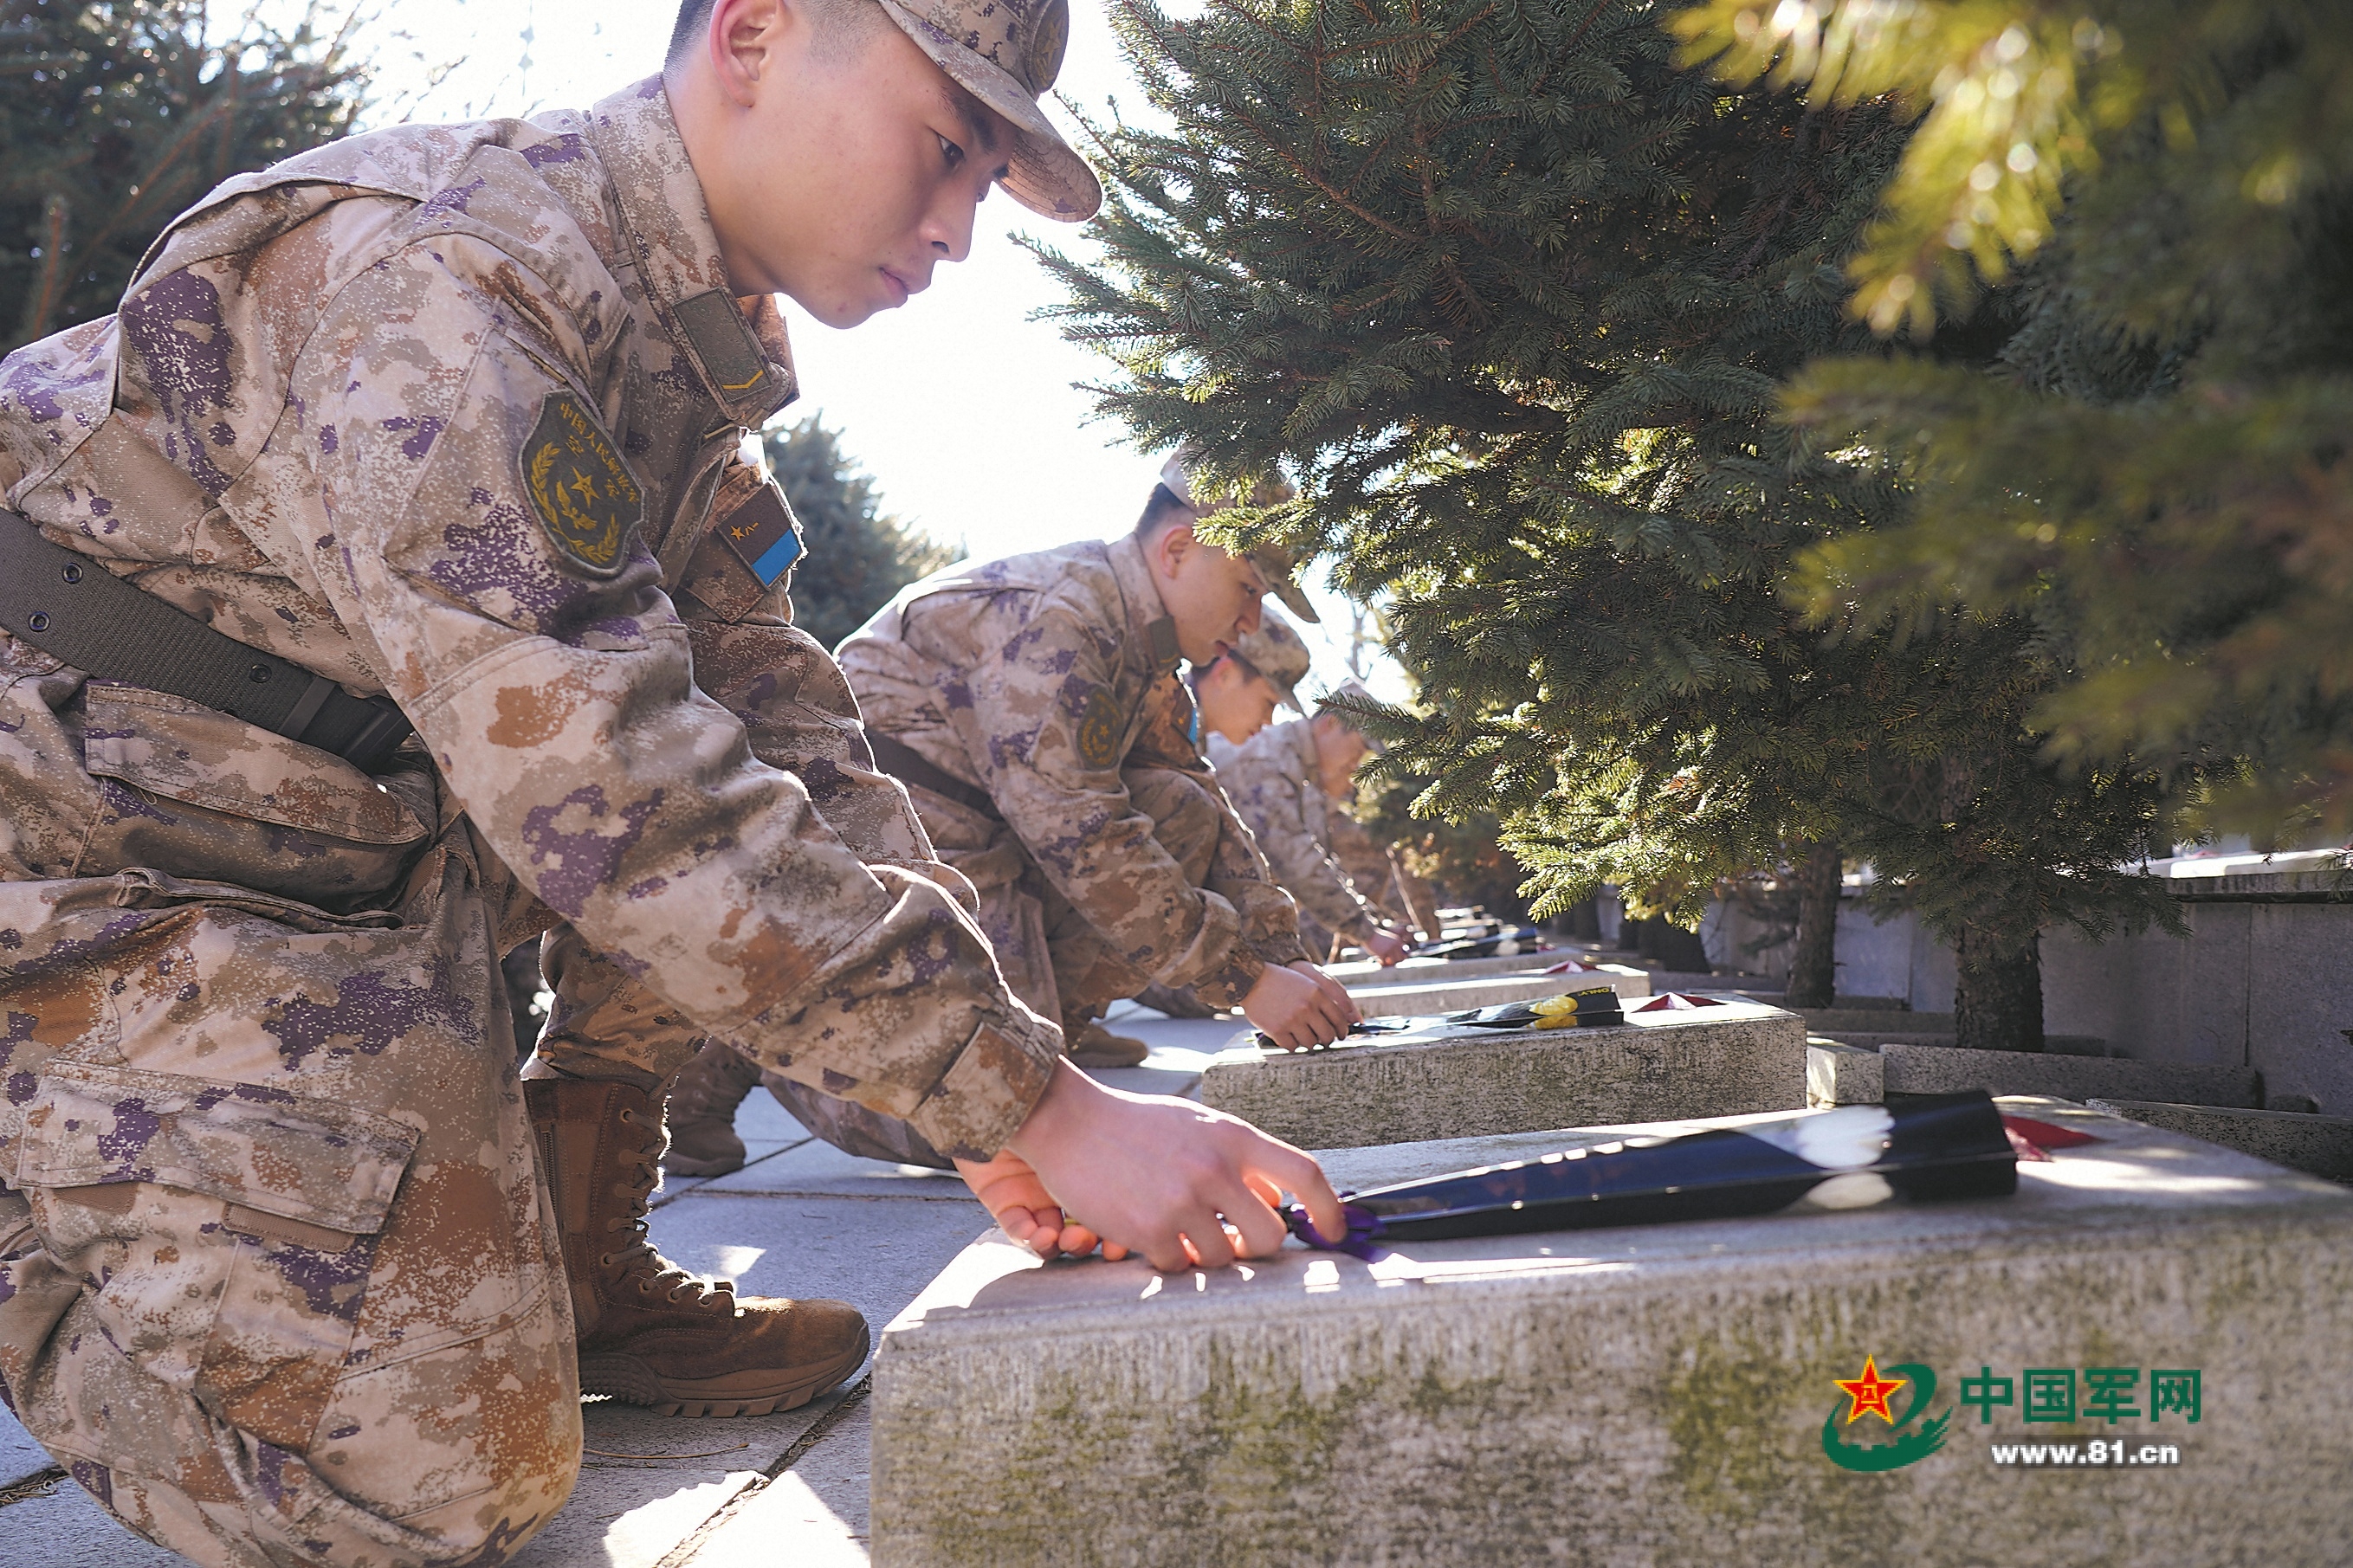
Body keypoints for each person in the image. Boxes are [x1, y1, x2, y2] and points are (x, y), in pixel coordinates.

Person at [0, 0, 1346, 1561]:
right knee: (428, 1483)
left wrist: (988, 1090)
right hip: (101, 841)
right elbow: (613, 787)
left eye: (985, 180)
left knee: (721, 822)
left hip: (331, 833)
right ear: (756, 35)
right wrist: (1035, 1101)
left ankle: (582, 1259)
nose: (959, 228)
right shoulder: (450, 277)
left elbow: (789, 744)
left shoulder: (684, 369)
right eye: (944, 147)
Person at [1215, 687, 1417, 965]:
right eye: (1359, 749)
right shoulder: (1267, 761)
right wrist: (1368, 934)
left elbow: (1315, 861)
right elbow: (1294, 861)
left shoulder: (1295, 768)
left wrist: (1373, 926)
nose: (1355, 764)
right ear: (1330, 724)